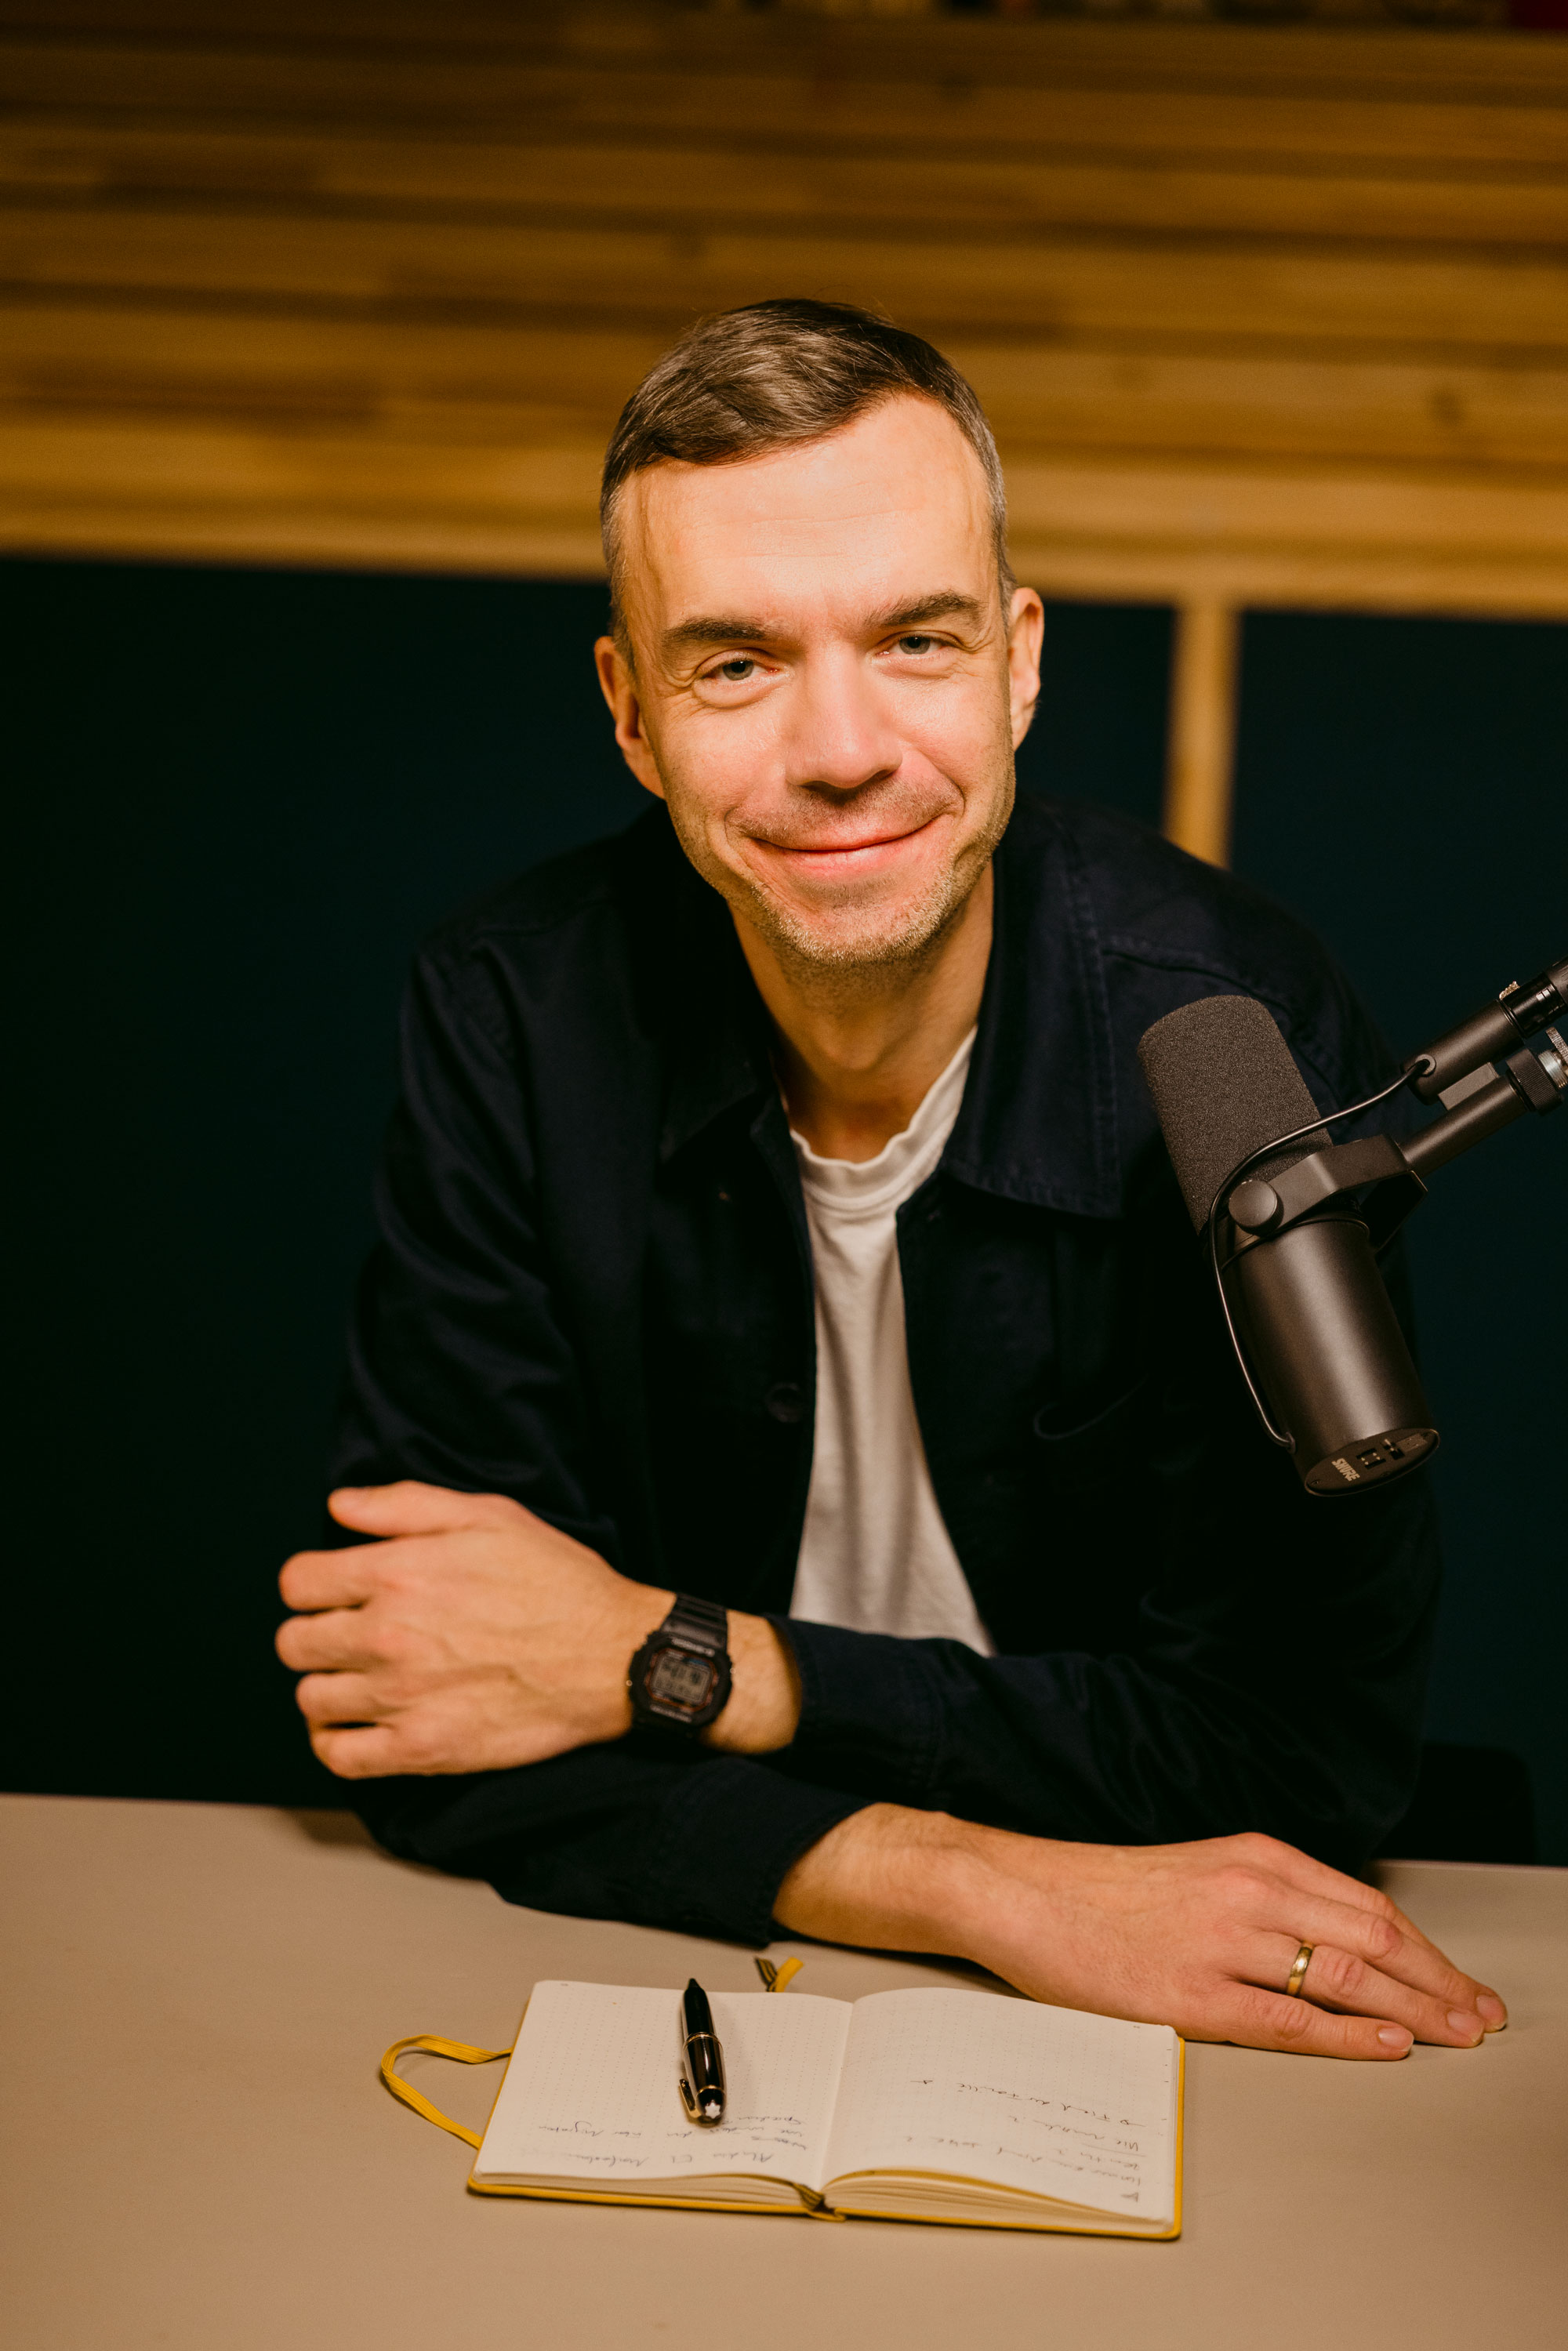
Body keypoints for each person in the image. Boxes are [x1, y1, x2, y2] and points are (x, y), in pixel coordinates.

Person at [278, 299, 1505, 2060]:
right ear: (630, 714)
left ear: (1018, 665)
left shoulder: (1231, 1038)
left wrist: (671, 1660)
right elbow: (420, 1699)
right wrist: (974, 1886)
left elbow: (1302, 1755)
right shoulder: (513, 1015)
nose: (842, 749)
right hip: (731, 2000)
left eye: (915, 641)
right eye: (736, 664)